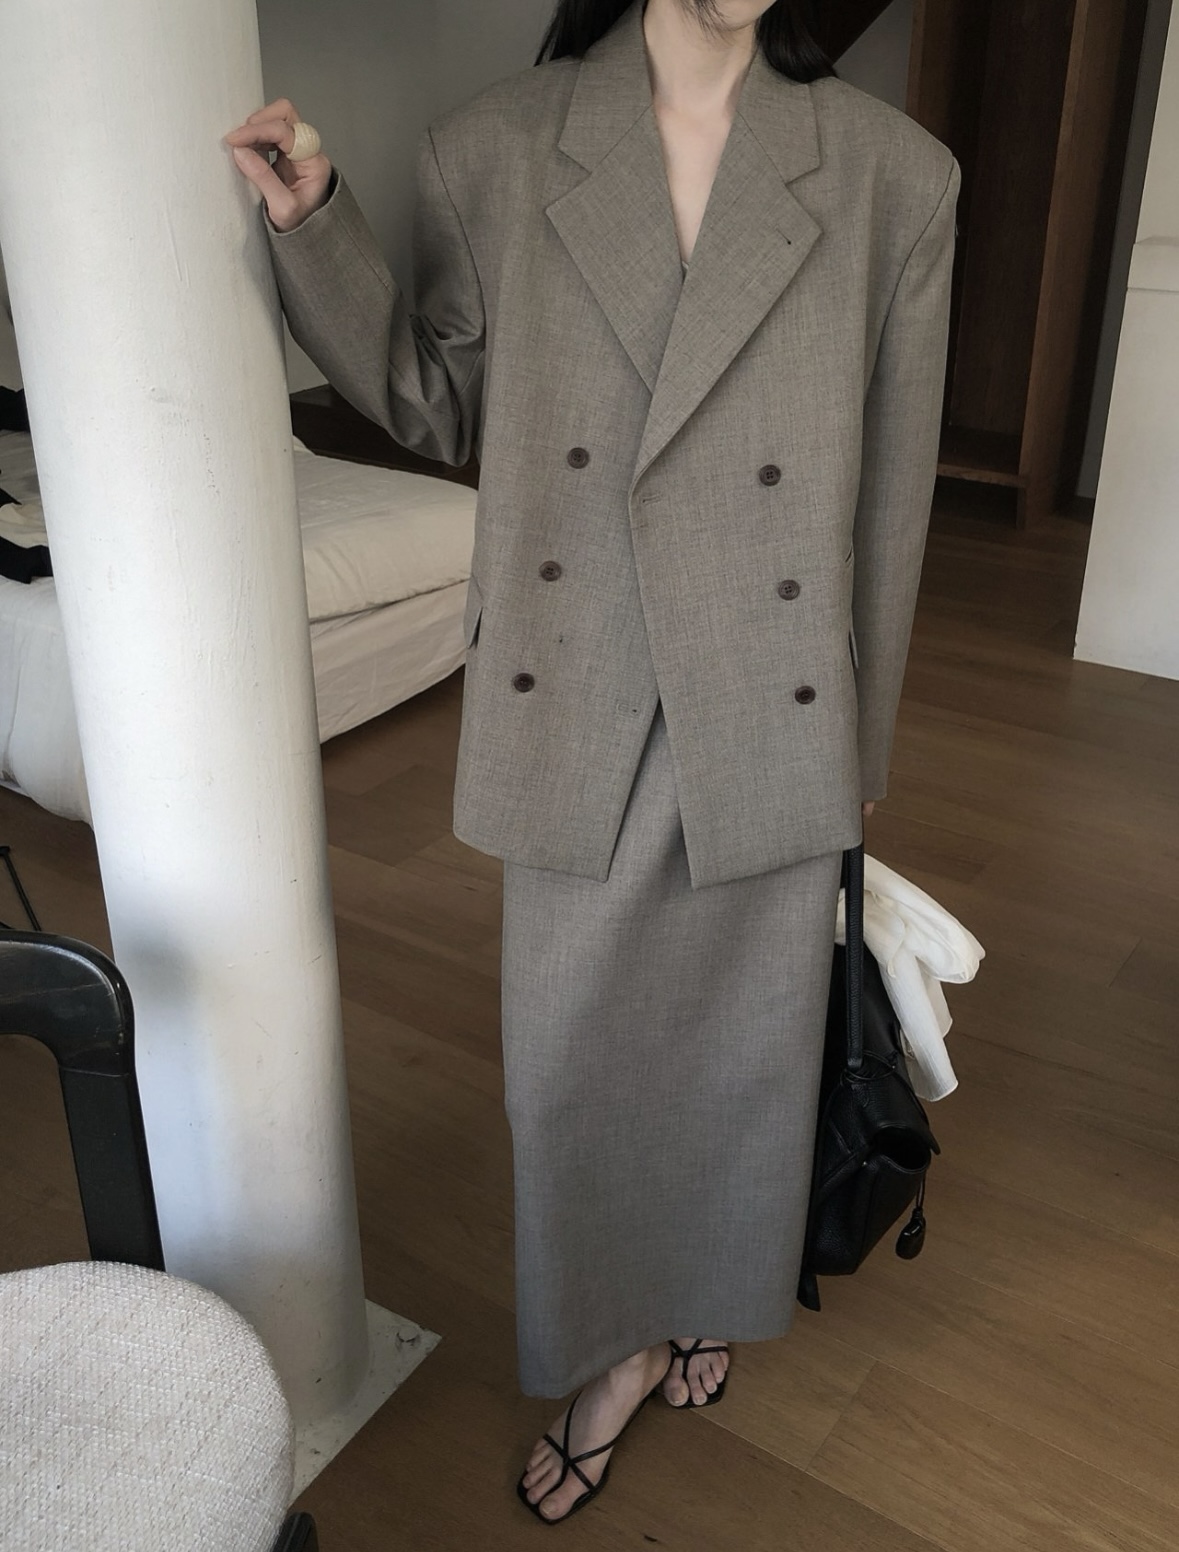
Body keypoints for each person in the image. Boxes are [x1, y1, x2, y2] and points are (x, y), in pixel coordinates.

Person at [226, 0, 959, 1525]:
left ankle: (706, 1299)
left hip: (771, 686)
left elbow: (892, 494)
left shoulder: (897, 174)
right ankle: (613, 1348)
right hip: (582, 676)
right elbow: (436, 399)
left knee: (745, 1059)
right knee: (569, 1067)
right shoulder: (493, 146)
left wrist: (863, 739)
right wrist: (316, 224)